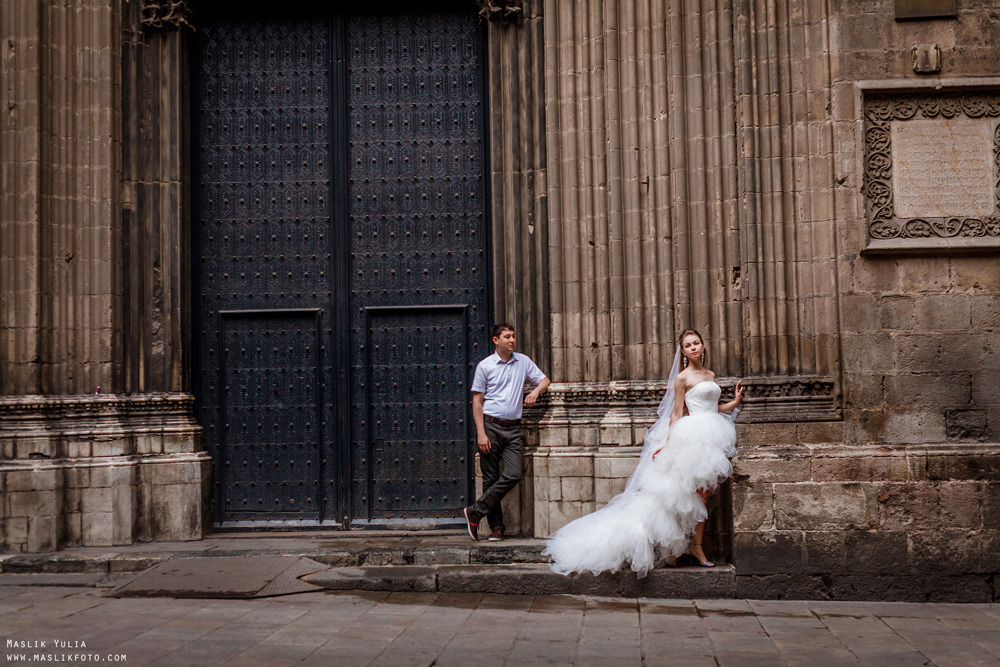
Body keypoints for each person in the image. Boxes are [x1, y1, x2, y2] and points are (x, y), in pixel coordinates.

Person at [543, 328, 743, 575]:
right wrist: (668, 443)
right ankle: (678, 548)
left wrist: (734, 402)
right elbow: (677, 413)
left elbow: (712, 407)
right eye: (688, 345)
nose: (693, 347)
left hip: (711, 435)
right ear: (682, 351)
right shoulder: (682, 378)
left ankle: (694, 546)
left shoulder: (710, 374)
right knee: (681, 496)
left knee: (702, 496)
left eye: (696, 343)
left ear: (703, 345)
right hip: (691, 438)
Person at [463, 323, 550, 542]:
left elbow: (545, 380)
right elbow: (477, 401)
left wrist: (536, 392)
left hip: (513, 429)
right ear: (496, 340)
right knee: (490, 479)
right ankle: (497, 528)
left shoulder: (523, 361)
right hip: (491, 426)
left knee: (513, 474)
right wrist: (481, 433)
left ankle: (475, 511)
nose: (512, 340)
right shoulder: (485, 366)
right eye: (507, 337)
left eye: (513, 336)